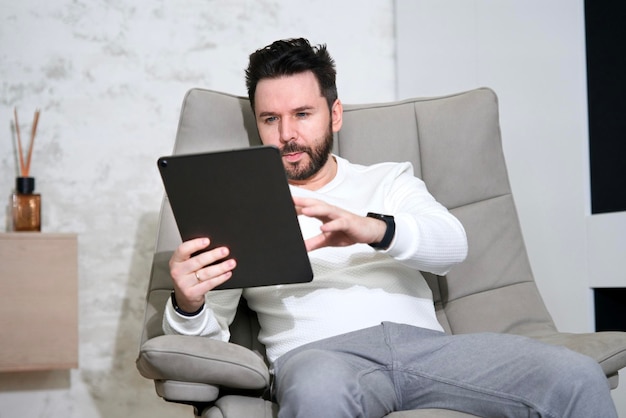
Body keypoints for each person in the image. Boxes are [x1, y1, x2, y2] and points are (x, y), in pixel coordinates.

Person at [163, 38, 617, 417]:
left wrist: (372, 229)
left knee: (576, 376)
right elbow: (207, 338)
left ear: (334, 114)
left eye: (303, 114)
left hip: (428, 350)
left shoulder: (388, 179)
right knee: (318, 389)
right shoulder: (238, 207)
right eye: (270, 119)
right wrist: (187, 303)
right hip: (322, 356)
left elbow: (452, 245)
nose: (287, 135)